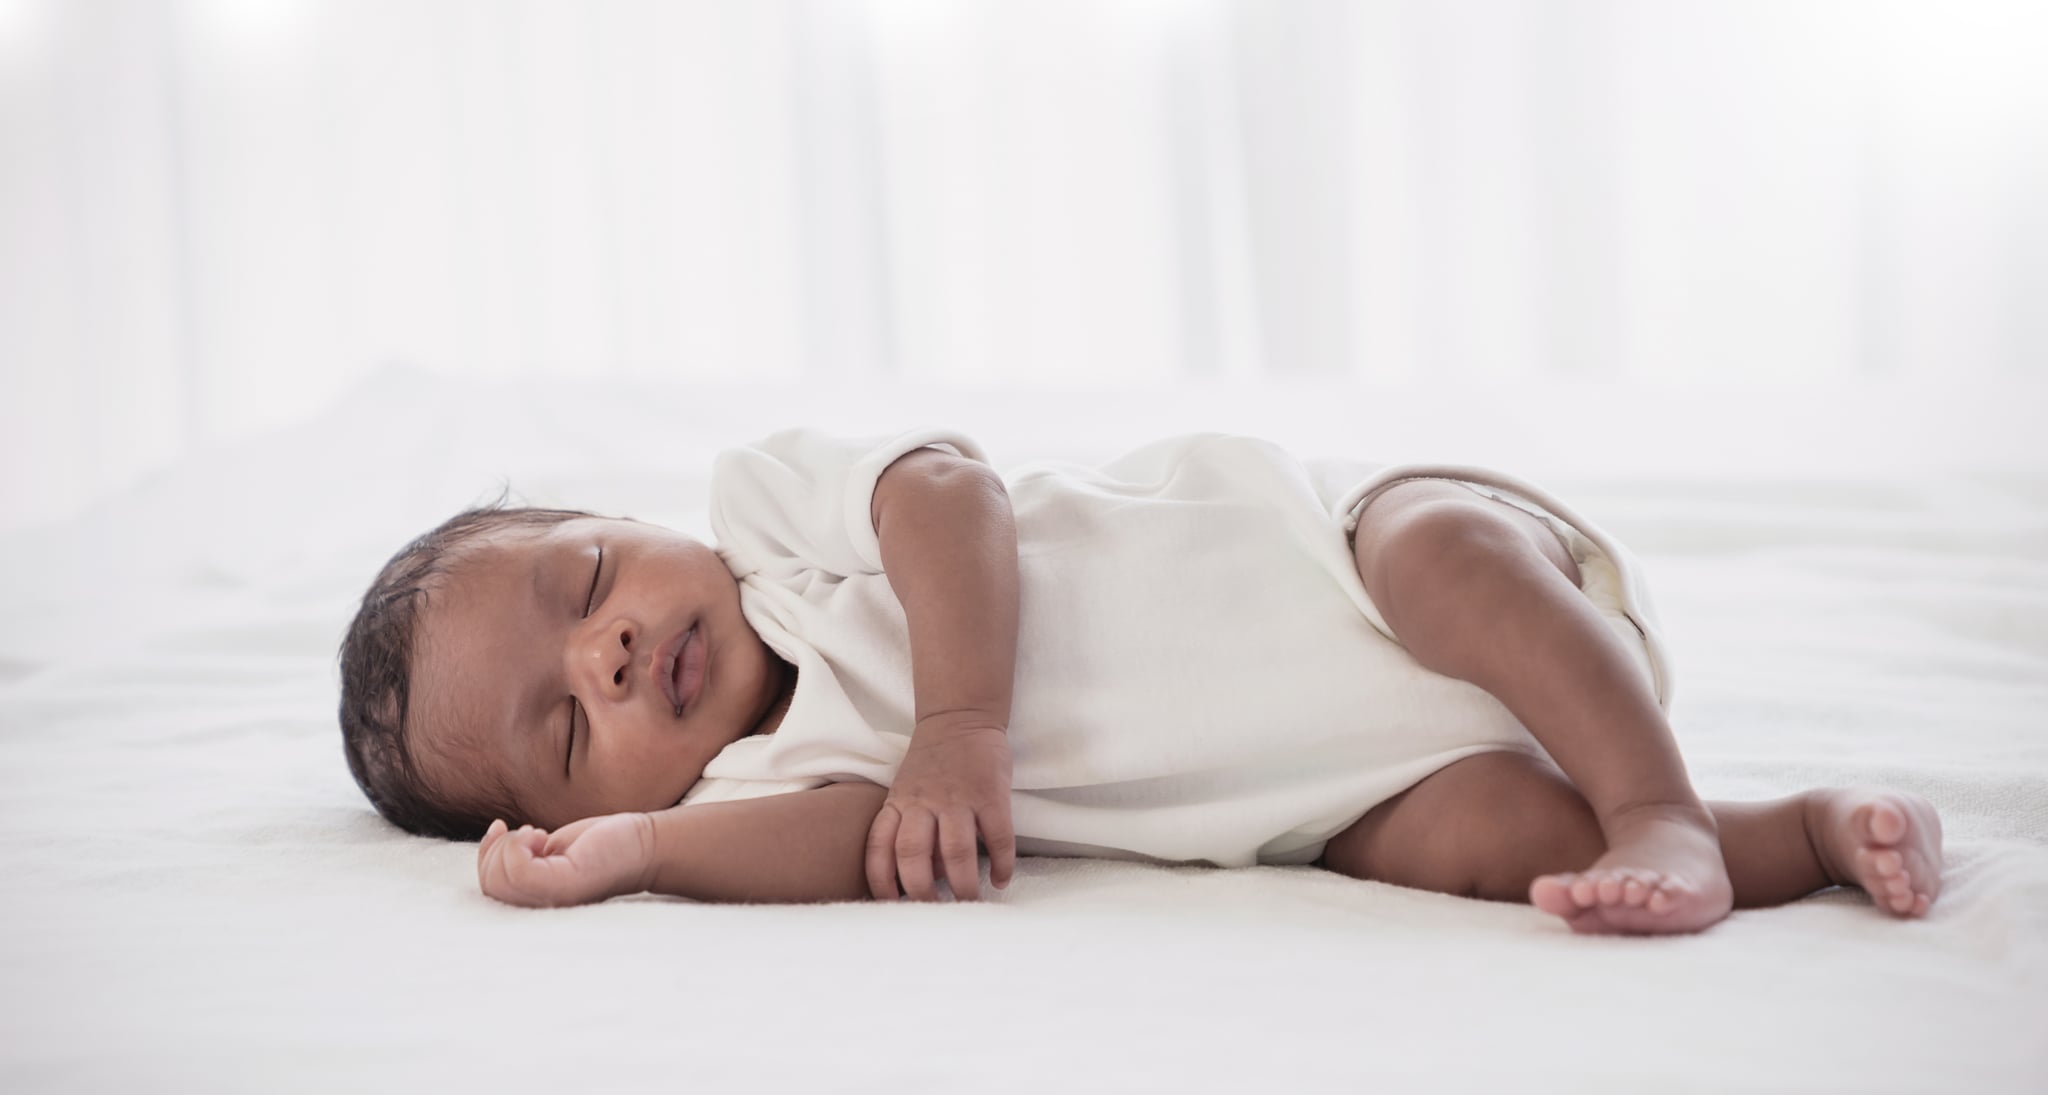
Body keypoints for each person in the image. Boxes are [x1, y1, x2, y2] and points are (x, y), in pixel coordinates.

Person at [337, 429, 1943, 934]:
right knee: (1485, 845)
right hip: (1339, 796)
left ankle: (1651, 794)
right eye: (567, 727)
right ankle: (1794, 832)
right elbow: (863, 848)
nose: (606, 650)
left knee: (1437, 542)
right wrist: (639, 859)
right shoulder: (755, 795)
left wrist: (961, 722)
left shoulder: (774, 524)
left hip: (1355, 568)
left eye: (587, 580)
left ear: (627, 524)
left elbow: (944, 488)